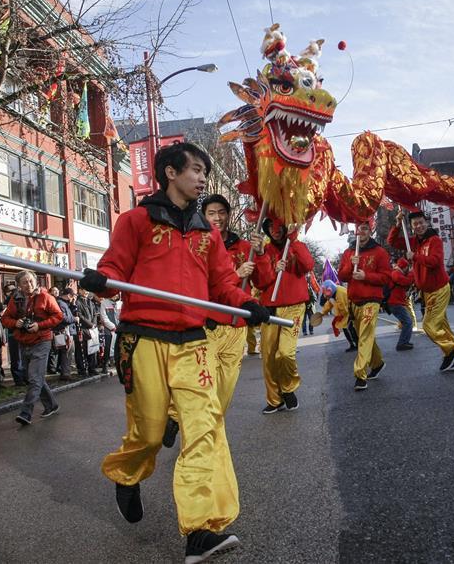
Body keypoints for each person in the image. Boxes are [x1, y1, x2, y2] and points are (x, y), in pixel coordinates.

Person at [79, 142, 268, 561]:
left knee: (204, 431)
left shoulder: (208, 232)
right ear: (169, 172)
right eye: (196, 170)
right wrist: (100, 281)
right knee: (148, 432)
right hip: (143, 339)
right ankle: (127, 474)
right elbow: (115, 269)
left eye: (204, 171)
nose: (202, 178)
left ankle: (201, 531)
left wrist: (246, 305)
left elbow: (222, 285)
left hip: (194, 343)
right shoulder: (136, 221)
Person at [162, 192, 261, 447]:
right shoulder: (197, 244)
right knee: (198, 387)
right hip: (208, 328)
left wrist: (262, 256)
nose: (217, 218)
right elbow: (196, 285)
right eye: (211, 213)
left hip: (236, 330)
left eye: (221, 212)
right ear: (202, 216)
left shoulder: (246, 248)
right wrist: (234, 274)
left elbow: (264, 282)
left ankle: (202, 438)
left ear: (228, 215)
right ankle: (183, 427)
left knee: (222, 397)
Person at [252, 218, 314, 413]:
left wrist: (293, 240)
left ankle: (288, 388)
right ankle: (274, 399)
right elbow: (260, 282)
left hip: (294, 308)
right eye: (270, 226)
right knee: (268, 357)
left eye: (279, 226)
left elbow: (308, 265)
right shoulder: (264, 250)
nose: (275, 230)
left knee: (285, 353)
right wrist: (268, 265)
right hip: (269, 309)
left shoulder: (295, 245)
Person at [389, 210, 454, 371]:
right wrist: (397, 224)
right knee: (443, 327)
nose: (419, 226)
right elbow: (392, 241)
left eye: (421, 222)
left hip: (439, 288)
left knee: (429, 326)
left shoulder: (434, 240)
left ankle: (450, 352)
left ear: (426, 222)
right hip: (427, 292)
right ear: (411, 226)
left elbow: (435, 262)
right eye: (415, 224)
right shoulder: (414, 241)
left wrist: (414, 256)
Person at [1, 270, 63, 425]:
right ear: (19, 285)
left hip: (42, 341)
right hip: (24, 342)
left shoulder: (46, 297)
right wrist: (16, 323)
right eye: (24, 282)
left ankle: (26, 412)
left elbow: (58, 316)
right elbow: (5, 318)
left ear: (36, 281)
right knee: (34, 378)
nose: (28, 285)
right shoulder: (16, 299)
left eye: (30, 281)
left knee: (34, 378)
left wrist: (39, 325)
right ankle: (51, 405)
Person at [339, 220, 391, 390]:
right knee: (365, 336)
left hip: (372, 300)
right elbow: (342, 276)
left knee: (365, 335)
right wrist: (349, 264)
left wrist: (366, 276)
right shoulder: (348, 252)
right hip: (354, 301)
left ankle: (360, 374)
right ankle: (377, 363)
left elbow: (386, 277)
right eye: (359, 229)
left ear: (370, 230)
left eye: (365, 228)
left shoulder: (380, 252)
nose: (362, 232)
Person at [1, 283, 26, 385]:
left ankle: (25, 377)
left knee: (24, 356)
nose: (13, 293)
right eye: (10, 291)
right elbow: (5, 318)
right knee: (16, 357)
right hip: (13, 332)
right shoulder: (7, 303)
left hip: (25, 332)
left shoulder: (22, 300)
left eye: (14, 290)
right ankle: (18, 379)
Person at [320, 280, 356, 351]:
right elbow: (329, 304)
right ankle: (352, 344)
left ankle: (357, 344)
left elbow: (344, 308)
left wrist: (339, 316)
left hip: (349, 312)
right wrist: (323, 313)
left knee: (351, 328)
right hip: (343, 314)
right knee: (346, 329)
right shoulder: (332, 294)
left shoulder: (340, 292)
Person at [388, 257, 415, 350]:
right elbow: (407, 281)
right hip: (395, 302)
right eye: (407, 268)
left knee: (406, 322)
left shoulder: (396, 272)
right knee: (408, 322)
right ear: (404, 267)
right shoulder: (396, 273)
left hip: (396, 302)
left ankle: (404, 342)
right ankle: (402, 343)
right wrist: (412, 272)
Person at [53, 288, 77, 381]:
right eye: (72, 297)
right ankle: (65, 373)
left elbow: (70, 314)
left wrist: (73, 305)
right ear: (68, 295)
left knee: (67, 352)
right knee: (66, 352)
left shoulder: (64, 303)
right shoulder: (60, 303)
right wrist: (74, 319)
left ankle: (65, 371)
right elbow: (63, 318)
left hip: (67, 331)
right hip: (64, 331)